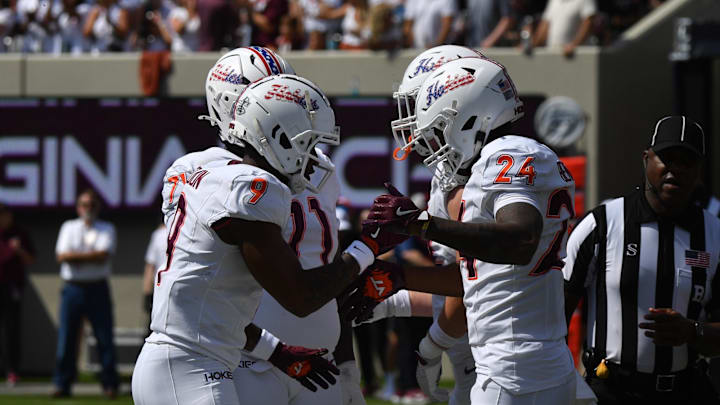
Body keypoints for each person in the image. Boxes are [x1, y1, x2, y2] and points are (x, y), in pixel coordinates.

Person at [132, 63, 379, 404]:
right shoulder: (251, 187)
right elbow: (300, 297)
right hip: (192, 366)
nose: (313, 160)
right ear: (277, 136)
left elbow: (218, 306)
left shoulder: (203, 171)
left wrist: (279, 354)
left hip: (189, 359)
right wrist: (370, 246)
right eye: (306, 144)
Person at [344, 55, 577, 404]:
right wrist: (395, 288)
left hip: (511, 365)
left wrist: (419, 224)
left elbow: (520, 240)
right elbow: (478, 276)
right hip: (524, 361)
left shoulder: (505, 153)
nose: (433, 143)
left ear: (467, 117)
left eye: (439, 129)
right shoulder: (502, 158)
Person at [563, 116, 720, 404]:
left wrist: (692, 331)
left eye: (687, 161)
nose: (676, 169)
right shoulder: (602, 223)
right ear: (646, 159)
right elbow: (556, 314)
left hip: (686, 390)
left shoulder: (715, 233)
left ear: (699, 170)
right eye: (667, 158)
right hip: (611, 390)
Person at [53, 189, 118, 398]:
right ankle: (62, 384)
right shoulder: (68, 227)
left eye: (91, 204)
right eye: (83, 204)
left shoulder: (106, 228)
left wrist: (76, 257)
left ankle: (109, 384)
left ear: (97, 207)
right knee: (66, 339)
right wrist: (89, 256)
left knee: (104, 338)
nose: (87, 208)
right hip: (72, 288)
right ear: (77, 207)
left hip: (97, 288)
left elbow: (104, 255)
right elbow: (62, 256)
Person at [0, 203, 34, 387]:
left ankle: (11, 371)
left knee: (11, 331)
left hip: (11, 287)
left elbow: (31, 259)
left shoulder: (19, 233)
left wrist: (18, 250)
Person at [532, 0, 596, 57]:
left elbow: (588, 22)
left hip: (575, 57)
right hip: (553, 55)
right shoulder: (553, 1)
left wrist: (575, 45)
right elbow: (545, 26)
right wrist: (531, 45)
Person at [141, 222, 166, 332]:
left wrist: (147, 293)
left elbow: (150, 267)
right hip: (161, 291)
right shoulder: (158, 235)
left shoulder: (158, 234)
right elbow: (150, 266)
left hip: (161, 290)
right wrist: (147, 293)